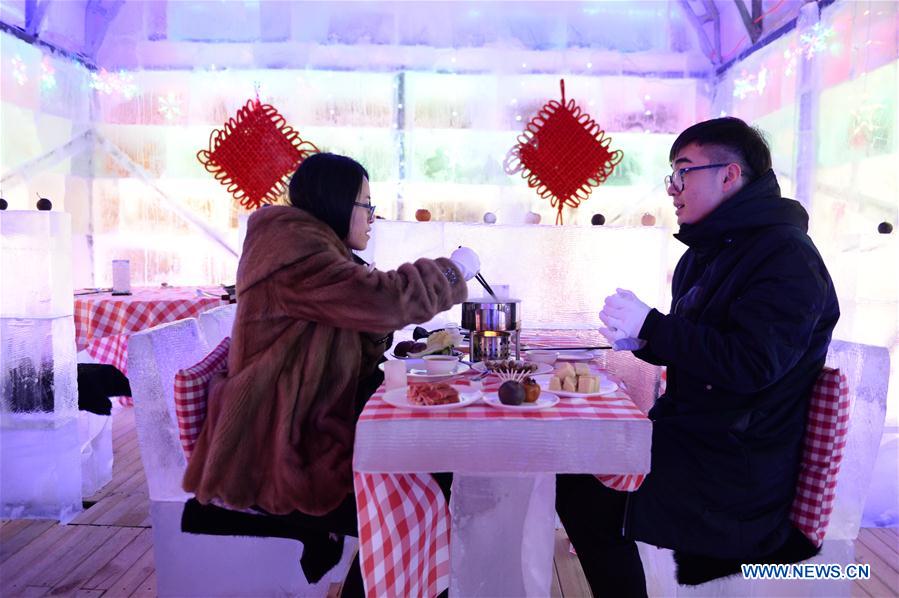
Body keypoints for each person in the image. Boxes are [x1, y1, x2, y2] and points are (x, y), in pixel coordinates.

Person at [556, 117, 839, 596]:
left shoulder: (787, 256)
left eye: (683, 172)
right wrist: (644, 341)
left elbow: (752, 364)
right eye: (672, 175)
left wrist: (654, 327)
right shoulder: (711, 252)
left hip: (739, 467)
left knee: (586, 488)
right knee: (581, 465)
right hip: (704, 439)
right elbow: (702, 352)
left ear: (729, 175)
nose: (672, 188)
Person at [182, 152, 480, 595]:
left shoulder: (311, 250)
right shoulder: (295, 258)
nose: (372, 218)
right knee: (416, 500)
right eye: (367, 205)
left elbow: (361, 315)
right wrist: (452, 271)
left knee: (432, 475)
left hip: (307, 425)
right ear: (338, 203)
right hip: (279, 450)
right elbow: (384, 300)